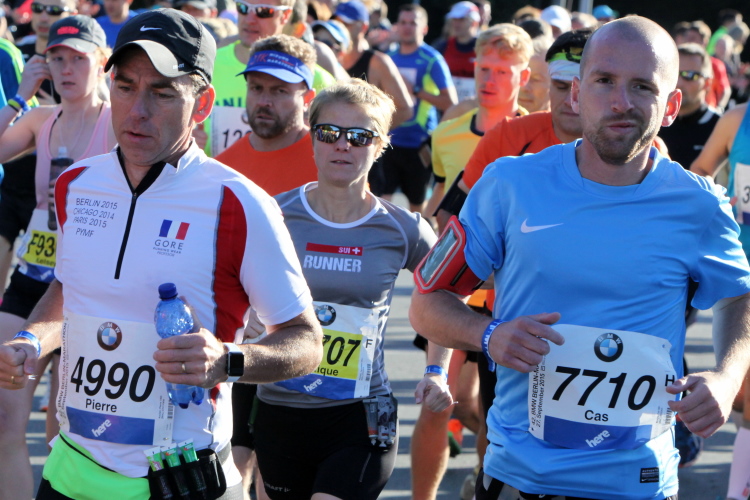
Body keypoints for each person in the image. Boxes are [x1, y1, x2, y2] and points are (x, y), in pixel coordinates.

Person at [410, 16, 750, 500]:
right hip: (521, 477)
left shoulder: (699, 204)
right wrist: (486, 335)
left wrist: (726, 377)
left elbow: (739, 296)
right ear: (575, 93)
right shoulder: (509, 185)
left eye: (642, 86)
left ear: (671, 106)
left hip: (639, 482)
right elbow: (427, 301)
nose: (621, 101)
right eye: (604, 81)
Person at [0, 9, 323, 499]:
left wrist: (229, 360)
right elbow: (70, 287)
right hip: (72, 470)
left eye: (163, 92)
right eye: (125, 87)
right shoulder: (76, 185)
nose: (137, 110)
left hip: (179, 477)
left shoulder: (239, 202)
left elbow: (306, 341)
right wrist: (31, 339)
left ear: (202, 104)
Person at [252, 78, 453, 500]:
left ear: (379, 147)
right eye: (330, 133)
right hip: (280, 409)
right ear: (313, 138)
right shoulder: (271, 214)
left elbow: (445, 295)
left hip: (360, 415)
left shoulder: (404, 228)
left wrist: (436, 371)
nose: (343, 145)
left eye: (360, 136)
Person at [412, 22, 533, 500]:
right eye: (484, 68)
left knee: (492, 407)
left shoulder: (536, 134)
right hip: (456, 289)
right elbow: (441, 205)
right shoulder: (447, 134)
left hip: (507, 297)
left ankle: (486, 481)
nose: (490, 79)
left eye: (503, 71)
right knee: (440, 402)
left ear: (524, 77)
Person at [0, 15, 114, 500]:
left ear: (103, 62)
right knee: (4, 418)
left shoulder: (118, 123)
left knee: (63, 434)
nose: (66, 70)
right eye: (57, 58)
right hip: (32, 277)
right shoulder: (40, 119)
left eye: (78, 59)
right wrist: (19, 97)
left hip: (86, 290)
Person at [214, 34, 318, 500]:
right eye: (256, 88)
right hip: (245, 338)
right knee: (236, 464)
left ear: (306, 96)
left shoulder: (329, 157)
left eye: (279, 90)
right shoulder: (225, 168)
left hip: (308, 337)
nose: (264, 100)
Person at [205, 0, 336, 157]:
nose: (250, 19)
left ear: (285, 15)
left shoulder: (319, 79)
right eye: (243, 8)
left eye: (263, 11)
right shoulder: (209, 64)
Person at [381, 3, 457, 212]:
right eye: (403, 22)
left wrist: (415, 90)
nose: (407, 27)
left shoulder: (432, 60)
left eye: (413, 23)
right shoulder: (389, 58)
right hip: (389, 139)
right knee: (382, 201)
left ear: (424, 28)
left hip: (419, 143)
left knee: (418, 207)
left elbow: (451, 103)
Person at [333, 0, 412, 129]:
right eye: (336, 22)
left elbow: (404, 110)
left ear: (363, 27)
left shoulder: (378, 62)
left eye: (346, 24)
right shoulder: (330, 57)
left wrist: (369, 132)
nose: (340, 28)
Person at [658, 43, 720, 169]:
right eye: (674, 74)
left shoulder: (720, 126)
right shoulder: (654, 122)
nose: (679, 83)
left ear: (707, 83)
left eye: (690, 75)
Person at [435, 1, 481, 103]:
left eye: (461, 19)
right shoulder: (442, 46)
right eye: (454, 19)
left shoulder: (484, 48)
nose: (456, 24)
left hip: (476, 107)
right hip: (447, 108)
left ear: (474, 22)